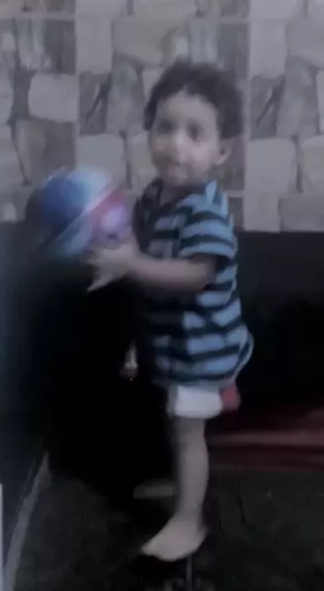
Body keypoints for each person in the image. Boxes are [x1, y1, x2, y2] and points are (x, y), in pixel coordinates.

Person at [91, 60, 253, 563]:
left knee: (187, 432)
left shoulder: (204, 210)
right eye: (165, 127)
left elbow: (194, 275)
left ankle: (189, 519)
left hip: (203, 350)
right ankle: (183, 488)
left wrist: (132, 264)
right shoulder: (155, 197)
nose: (175, 143)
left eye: (194, 133)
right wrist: (113, 243)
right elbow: (139, 245)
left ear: (220, 152)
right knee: (173, 422)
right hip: (173, 345)